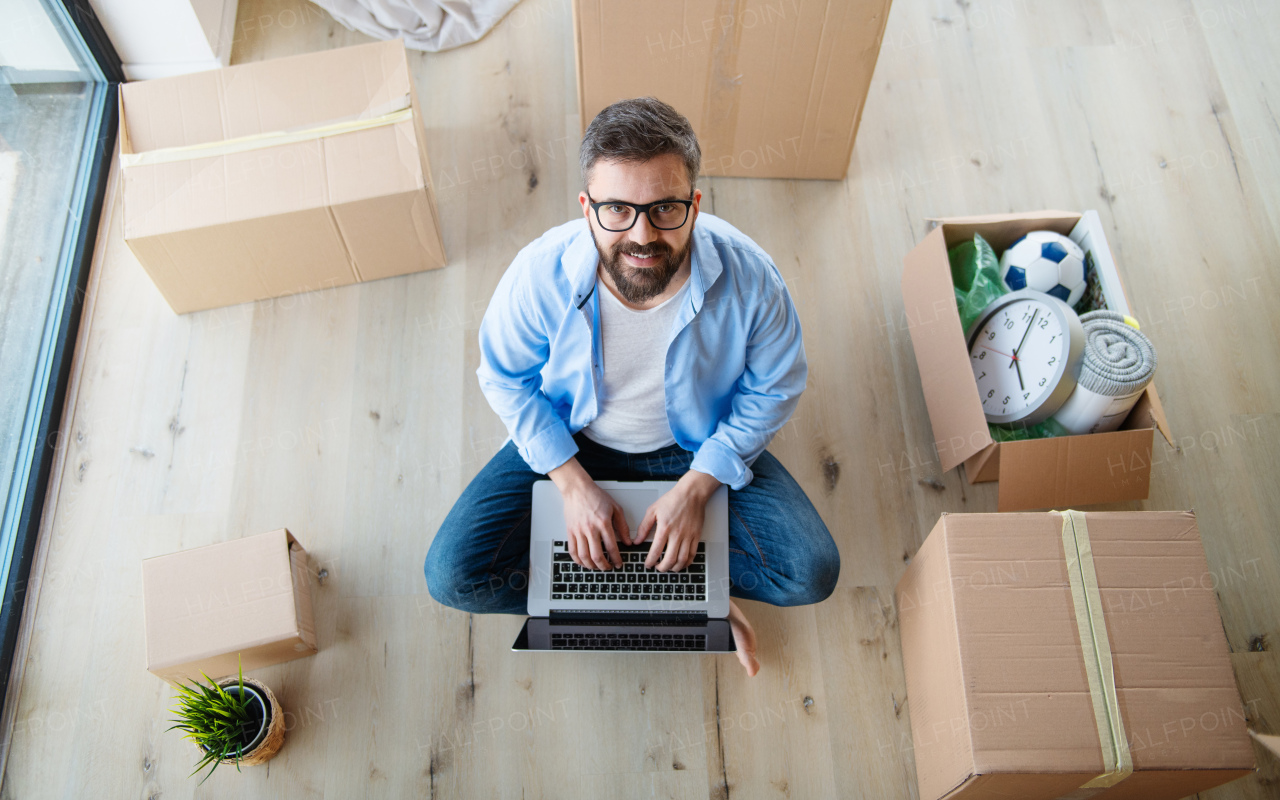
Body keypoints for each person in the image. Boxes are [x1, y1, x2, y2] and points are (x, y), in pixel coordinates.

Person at [424, 97, 840, 676]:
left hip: (697, 444)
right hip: (576, 438)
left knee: (810, 572)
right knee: (452, 576)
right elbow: (504, 377)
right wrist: (570, 484)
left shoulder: (752, 279)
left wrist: (697, 490)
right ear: (586, 208)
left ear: (694, 204)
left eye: (665, 208)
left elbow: (775, 387)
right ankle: (680, 591)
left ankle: (676, 583)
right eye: (617, 208)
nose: (642, 236)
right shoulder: (537, 274)